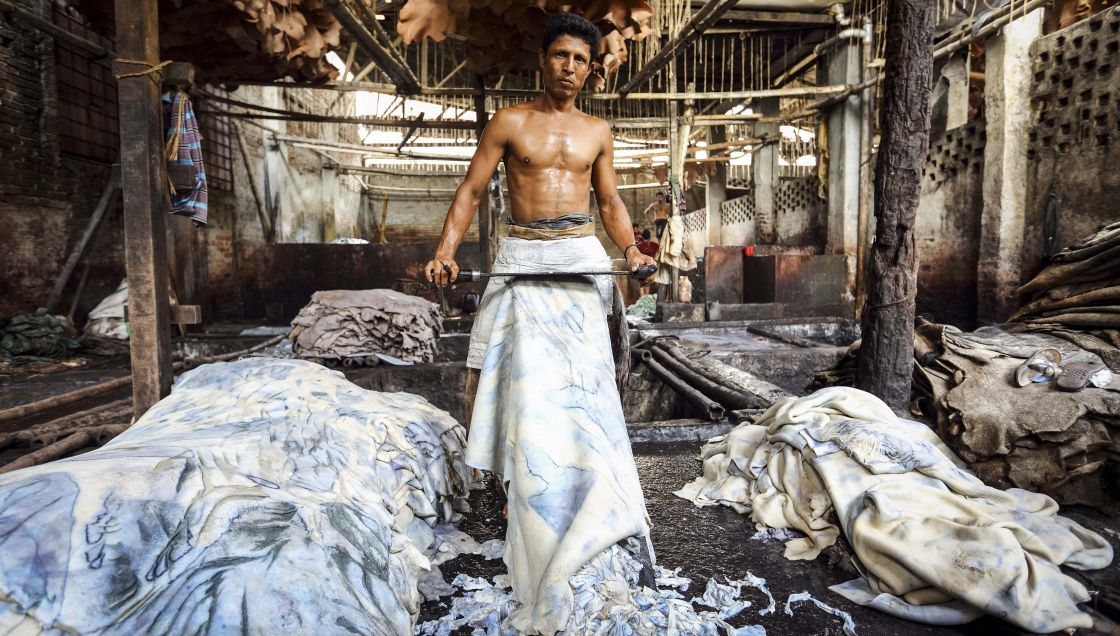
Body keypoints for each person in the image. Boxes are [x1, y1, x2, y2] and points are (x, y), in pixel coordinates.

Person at [423, 12, 655, 635]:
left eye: (581, 60)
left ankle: (587, 501)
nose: (570, 69)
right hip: (522, 255)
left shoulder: (598, 132)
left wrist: (631, 252)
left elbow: (609, 203)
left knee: (584, 388)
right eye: (560, 56)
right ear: (543, 59)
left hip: (580, 257)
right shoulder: (509, 122)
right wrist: (445, 251)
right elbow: (471, 192)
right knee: (517, 382)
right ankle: (519, 495)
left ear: (591, 67)